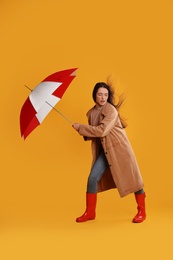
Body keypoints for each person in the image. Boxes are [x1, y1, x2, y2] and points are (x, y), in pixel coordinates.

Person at [72, 82, 146, 223]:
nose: (103, 97)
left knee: (134, 180)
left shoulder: (111, 110)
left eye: (105, 95)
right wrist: (79, 129)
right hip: (105, 152)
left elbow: (102, 131)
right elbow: (94, 133)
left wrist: (81, 127)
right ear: (94, 95)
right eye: (100, 94)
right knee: (93, 178)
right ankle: (90, 212)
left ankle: (142, 211)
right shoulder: (92, 112)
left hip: (120, 150)